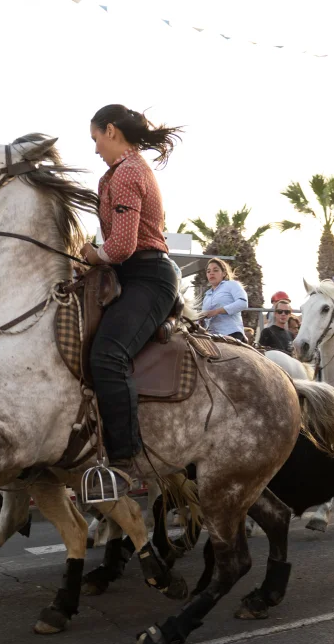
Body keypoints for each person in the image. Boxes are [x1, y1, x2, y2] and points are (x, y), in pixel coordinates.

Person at [81, 104, 183, 500]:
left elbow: (121, 246)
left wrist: (92, 254)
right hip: (131, 276)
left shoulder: (126, 174)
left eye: (94, 139)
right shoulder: (123, 170)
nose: (94, 150)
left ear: (111, 131)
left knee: (108, 355)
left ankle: (124, 464)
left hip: (147, 277)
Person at [198, 257, 248, 341]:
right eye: (208, 271)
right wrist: (201, 321)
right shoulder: (207, 295)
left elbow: (243, 303)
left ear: (224, 273)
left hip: (232, 333)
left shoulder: (232, 284)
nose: (211, 273)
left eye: (215, 270)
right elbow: (206, 320)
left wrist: (217, 311)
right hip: (212, 337)